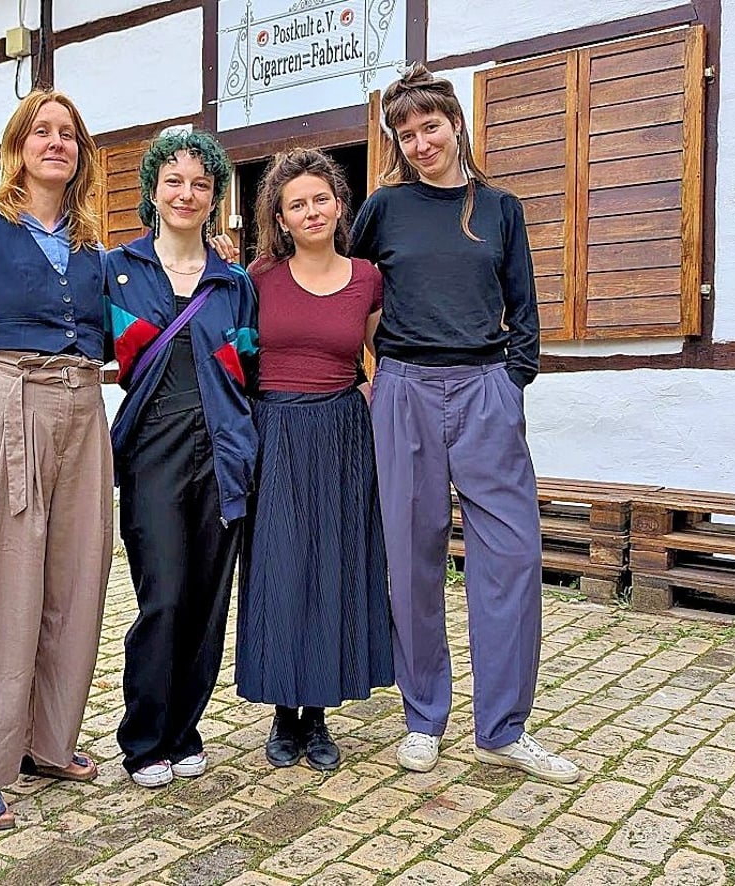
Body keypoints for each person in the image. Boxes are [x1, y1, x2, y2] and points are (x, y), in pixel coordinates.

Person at [350, 63, 579, 784]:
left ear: (455, 124)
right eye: (406, 132)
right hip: (405, 390)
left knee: (510, 557)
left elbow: (526, 309)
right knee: (411, 559)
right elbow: (342, 291)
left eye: (430, 127)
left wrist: (512, 383)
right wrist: (366, 379)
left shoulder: (500, 208)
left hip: (485, 388)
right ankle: (423, 717)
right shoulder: (384, 209)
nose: (420, 142)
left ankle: (504, 727)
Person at [0, 89, 114, 829]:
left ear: (81, 154)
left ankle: (47, 741)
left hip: (84, 404)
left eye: (69, 133)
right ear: (19, 145)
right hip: (12, 393)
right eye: (43, 130)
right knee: (0, 587)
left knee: (76, 580)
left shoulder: (91, 243)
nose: (57, 142)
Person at [107, 130, 259, 788]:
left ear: (215, 197)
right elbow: (86, 359)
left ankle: (185, 728)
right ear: (152, 191)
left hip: (221, 452)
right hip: (150, 453)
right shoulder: (116, 270)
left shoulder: (234, 282)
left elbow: (246, 370)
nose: (186, 193)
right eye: (174, 181)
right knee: (162, 597)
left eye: (200, 183)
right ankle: (144, 739)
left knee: (207, 601)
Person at [236, 148, 392, 771]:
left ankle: (319, 715)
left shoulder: (367, 278)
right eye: (296, 203)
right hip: (274, 428)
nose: (310, 211)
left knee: (334, 566)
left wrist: (370, 391)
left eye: (320, 199)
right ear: (279, 214)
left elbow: (385, 354)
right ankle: (281, 711)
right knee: (277, 565)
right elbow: (240, 357)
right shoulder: (257, 277)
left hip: (342, 433)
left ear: (338, 204)